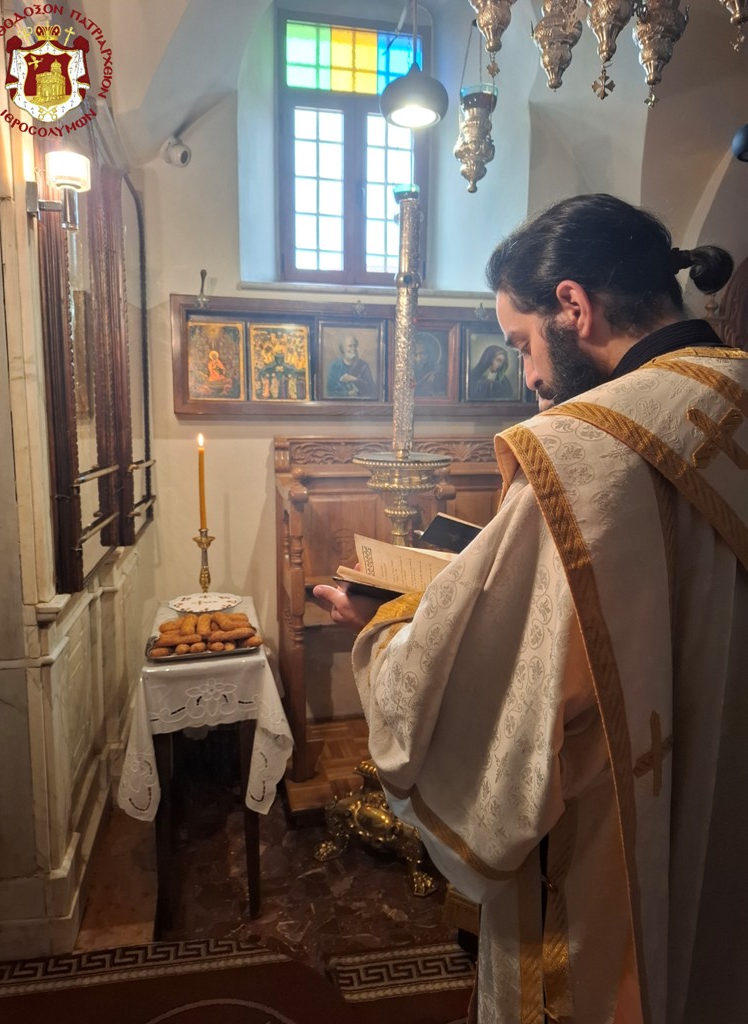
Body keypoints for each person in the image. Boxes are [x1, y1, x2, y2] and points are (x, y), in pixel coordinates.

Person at [313, 193, 747, 1023]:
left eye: (520, 344)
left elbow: (490, 694)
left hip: (616, 859)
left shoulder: (585, 450)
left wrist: (388, 625)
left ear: (573, 307)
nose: (529, 376)